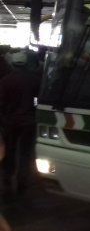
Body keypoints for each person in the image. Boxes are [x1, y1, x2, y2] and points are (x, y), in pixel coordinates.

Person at [0, 50, 41, 195]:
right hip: (28, 121)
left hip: (10, 121)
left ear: (13, 63)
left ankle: (7, 175)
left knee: (10, 149)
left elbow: (2, 102)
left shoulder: (5, 81)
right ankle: (22, 180)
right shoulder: (34, 80)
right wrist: (33, 107)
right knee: (25, 152)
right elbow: (37, 100)